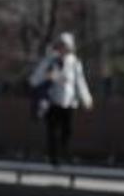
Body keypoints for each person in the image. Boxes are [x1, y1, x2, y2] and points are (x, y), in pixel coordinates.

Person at [28, 32, 93, 166]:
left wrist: (86, 98)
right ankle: (54, 158)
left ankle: (63, 154)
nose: (64, 49)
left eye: (67, 46)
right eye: (61, 46)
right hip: (51, 101)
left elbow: (80, 82)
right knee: (52, 131)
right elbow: (34, 80)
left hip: (68, 102)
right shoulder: (50, 60)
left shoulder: (74, 62)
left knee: (66, 130)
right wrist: (48, 77)